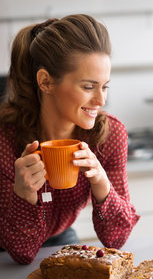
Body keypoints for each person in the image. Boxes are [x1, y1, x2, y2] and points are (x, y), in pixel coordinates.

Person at [0, 14, 140, 264]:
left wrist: (101, 184)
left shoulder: (109, 136)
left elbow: (116, 239)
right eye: (88, 87)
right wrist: (24, 196)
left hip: (59, 237)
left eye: (105, 86)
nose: (101, 100)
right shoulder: (5, 138)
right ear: (45, 82)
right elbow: (21, 253)